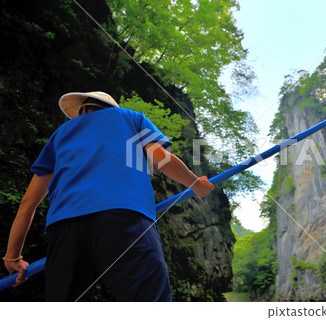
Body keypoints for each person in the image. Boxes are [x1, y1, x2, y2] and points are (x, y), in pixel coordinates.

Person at [2, 91, 214, 301]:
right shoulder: (132, 118)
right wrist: (195, 183)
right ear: (113, 109)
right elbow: (161, 158)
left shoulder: (60, 134)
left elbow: (28, 202)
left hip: (64, 227)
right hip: (125, 217)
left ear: (83, 109)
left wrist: (13, 257)